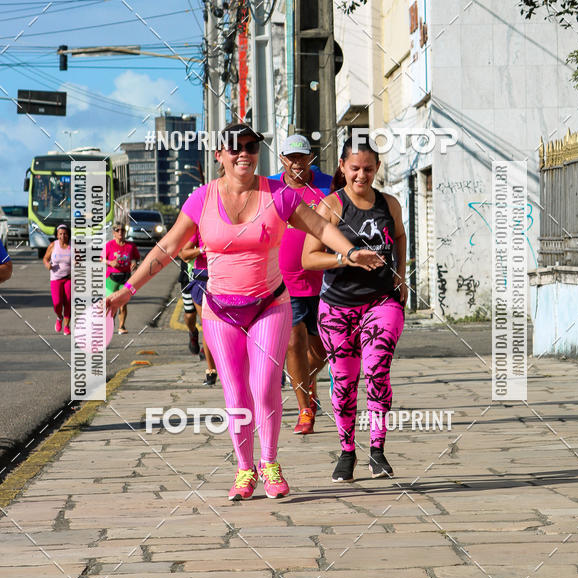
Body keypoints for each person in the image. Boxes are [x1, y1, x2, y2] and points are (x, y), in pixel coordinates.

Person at [106, 123, 381, 502]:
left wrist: (349, 254)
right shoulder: (201, 199)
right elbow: (168, 245)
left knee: (266, 385)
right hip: (220, 311)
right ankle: (244, 469)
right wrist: (126, 291)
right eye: (234, 147)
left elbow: (320, 225)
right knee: (235, 395)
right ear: (219, 154)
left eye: (251, 147)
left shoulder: (278, 195)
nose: (243, 154)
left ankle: (269, 463)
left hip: (270, 305)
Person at [303, 136, 408, 482]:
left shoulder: (389, 204)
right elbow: (309, 258)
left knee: (378, 370)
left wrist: (401, 276)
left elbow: (401, 237)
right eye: (354, 168)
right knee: (345, 382)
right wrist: (346, 256)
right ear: (343, 169)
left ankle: (377, 450)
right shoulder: (330, 206)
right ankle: (347, 451)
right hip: (337, 308)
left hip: (382, 302)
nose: (361, 175)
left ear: (377, 168)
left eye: (368, 168)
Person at [269, 134, 332, 434]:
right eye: (290, 157)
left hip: (326, 280)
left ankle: (306, 385)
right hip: (285, 281)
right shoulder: (268, 188)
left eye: (301, 156)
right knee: (294, 343)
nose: (296, 162)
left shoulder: (329, 185)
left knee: (325, 349)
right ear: (281, 158)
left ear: (310, 158)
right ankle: (305, 409)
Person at [179, 230, 218, 385]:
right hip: (201, 278)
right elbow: (183, 253)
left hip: (227, 276)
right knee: (207, 325)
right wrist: (202, 249)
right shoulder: (198, 227)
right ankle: (211, 370)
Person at [102, 222, 140, 334]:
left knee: (123, 304)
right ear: (113, 233)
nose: (120, 232)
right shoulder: (109, 245)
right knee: (111, 304)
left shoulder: (131, 246)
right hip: (111, 279)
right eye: (117, 230)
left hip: (126, 278)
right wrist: (110, 262)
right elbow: (100, 258)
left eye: (122, 230)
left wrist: (134, 262)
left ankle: (121, 327)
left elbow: (137, 258)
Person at [43, 224, 72, 335]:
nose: (63, 236)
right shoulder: (53, 246)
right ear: (57, 235)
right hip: (55, 279)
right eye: (60, 234)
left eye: (65, 234)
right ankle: (59, 317)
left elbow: (79, 260)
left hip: (69, 278)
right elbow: (45, 258)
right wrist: (47, 264)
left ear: (68, 235)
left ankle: (66, 326)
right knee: (57, 303)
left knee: (68, 302)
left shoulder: (73, 246)